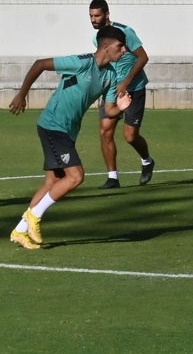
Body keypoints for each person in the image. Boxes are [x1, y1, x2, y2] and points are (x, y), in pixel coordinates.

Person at [7, 25, 133, 249]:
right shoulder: (82, 63)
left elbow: (110, 109)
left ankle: (20, 230)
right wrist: (21, 94)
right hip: (52, 126)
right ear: (105, 46)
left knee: (53, 182)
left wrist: (121, 107)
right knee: (75, 176)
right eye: (120, 46)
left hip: (67, 131)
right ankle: (34, 217)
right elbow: (40, 64)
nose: (124, 50)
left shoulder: (111, 75)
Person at [88, 0, 155, 188]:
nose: (94, 19)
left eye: (97, 15)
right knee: (105, 131)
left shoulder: (126, 32)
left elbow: (143, 57)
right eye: (91, 16)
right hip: (111, 90)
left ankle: (147, 161)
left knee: (130, 136)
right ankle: (112, 177)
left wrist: (125, 82)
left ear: (107, 14)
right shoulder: (97, 39)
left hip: (133, 89)